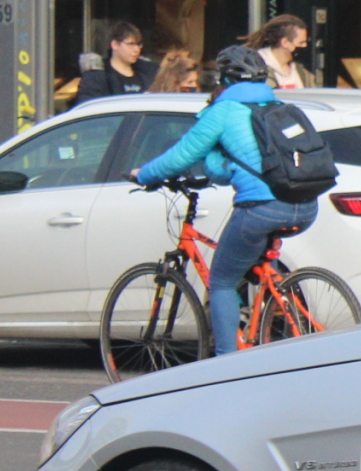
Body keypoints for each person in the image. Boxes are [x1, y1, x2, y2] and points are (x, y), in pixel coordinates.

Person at [130, 44, 319, 358]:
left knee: (221, 282)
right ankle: (268, 318)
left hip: (261, 209)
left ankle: (226, 362)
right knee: (257, 263)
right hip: (306, 203)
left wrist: (144, 174)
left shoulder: (224, 111)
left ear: (224, 78)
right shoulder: (278, 107)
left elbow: (181, 156)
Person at [75, 24, 150, 102]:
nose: (137, 49)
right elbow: (88, 106)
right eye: (131, 44)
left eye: (139, 44)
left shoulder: (148, 74)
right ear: (115, 44)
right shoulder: (96, 78)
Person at [247, 16, 310, 89]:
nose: (305, 45)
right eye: (301, 42)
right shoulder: (257, 69)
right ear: (285, 42)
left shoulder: (301, 70)